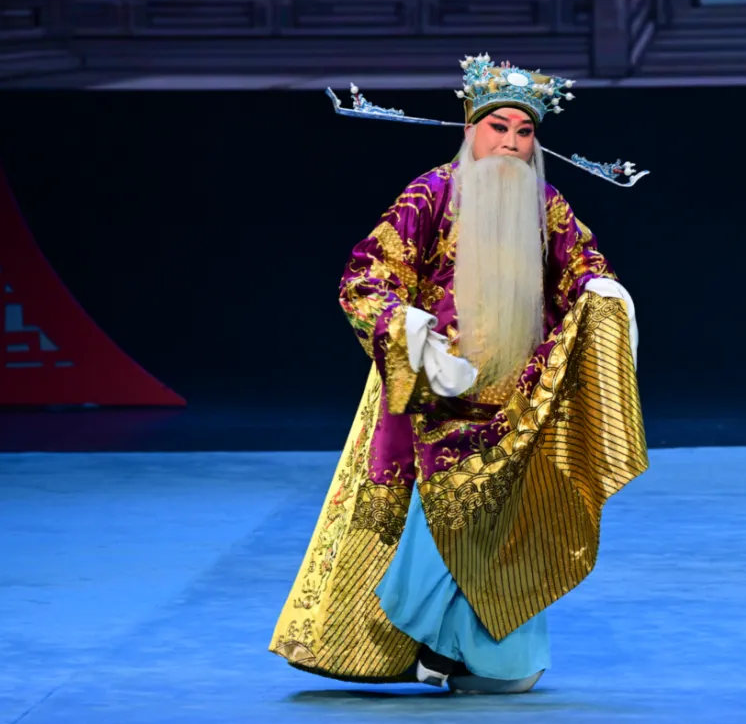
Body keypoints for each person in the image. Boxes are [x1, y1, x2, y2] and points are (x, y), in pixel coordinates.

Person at [269, 54, 649, 695]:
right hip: (436, 399)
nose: (511, 142)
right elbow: (366, 279)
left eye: (524, 132)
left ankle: (486, 657)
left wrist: (604, 292)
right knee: (437, 523)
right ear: (471, 127)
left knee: (510, 534)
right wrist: (415, 336)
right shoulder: (431, 194)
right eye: (498, 127)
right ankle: (428, 639)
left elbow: (583, 269)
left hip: (519, 403)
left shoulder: (547, 204)